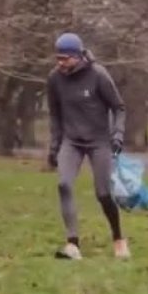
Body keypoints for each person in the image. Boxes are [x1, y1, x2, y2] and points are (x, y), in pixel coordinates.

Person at [47, 33, 128, 260]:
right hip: (71, 140)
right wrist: (54, 146)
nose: (60, 63)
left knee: (103, 194)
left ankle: (119, 239)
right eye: (57, 58)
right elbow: (55, 115)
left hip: (99, 141)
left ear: (78, 56)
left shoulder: (98, 75)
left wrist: (118, 135)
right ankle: (72, 244)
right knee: (64, 184)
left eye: (64, 59)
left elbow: (119, 107)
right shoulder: (54, 79)